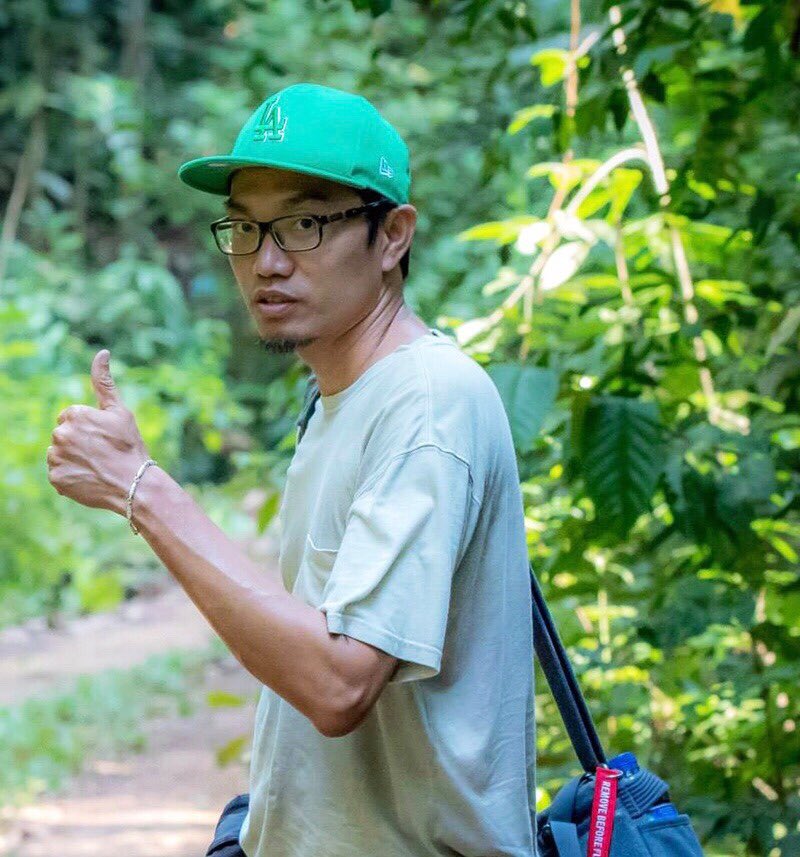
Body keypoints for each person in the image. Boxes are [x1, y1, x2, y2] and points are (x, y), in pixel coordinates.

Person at [47, 82, 536, 857]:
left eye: (304, 223)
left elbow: (339, 682)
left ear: (393, 236)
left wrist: (143, 489)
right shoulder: (339, 397)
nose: (266, 261)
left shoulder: (428, 402)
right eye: (244, 227)